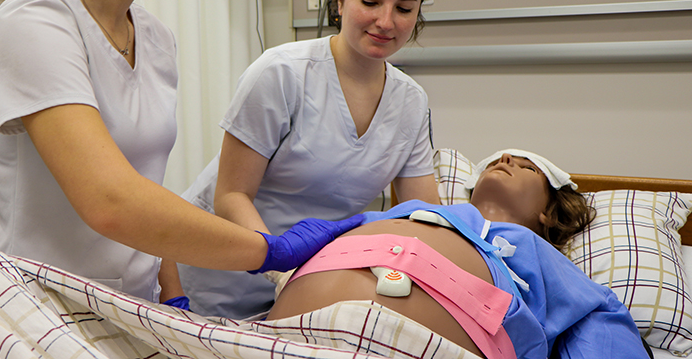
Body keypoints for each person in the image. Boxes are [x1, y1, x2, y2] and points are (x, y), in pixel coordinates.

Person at [0, 0, 361, 306]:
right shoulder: (34, 23)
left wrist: (172, 296)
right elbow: (110, 201)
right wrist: (267, 250)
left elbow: (145, 191)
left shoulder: (156, 40)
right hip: (44, 312)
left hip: (133, 309)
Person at [178, 0, 443, 318]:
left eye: (404, 8)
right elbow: (231, 195)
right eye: (369, 2)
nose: (385, 21)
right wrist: (279, 266)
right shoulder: (281, 73)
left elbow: (424, 215)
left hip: (310, 284)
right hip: (218, 274)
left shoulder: (411, 102)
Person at [267, 150, 649, 359]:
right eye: (499, 159)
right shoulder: (410, 211)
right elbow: (312, 240)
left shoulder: (537, 250)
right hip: (273, 337)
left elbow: (600, 321)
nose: (505, 161)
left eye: (525, 165)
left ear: (547, 212)